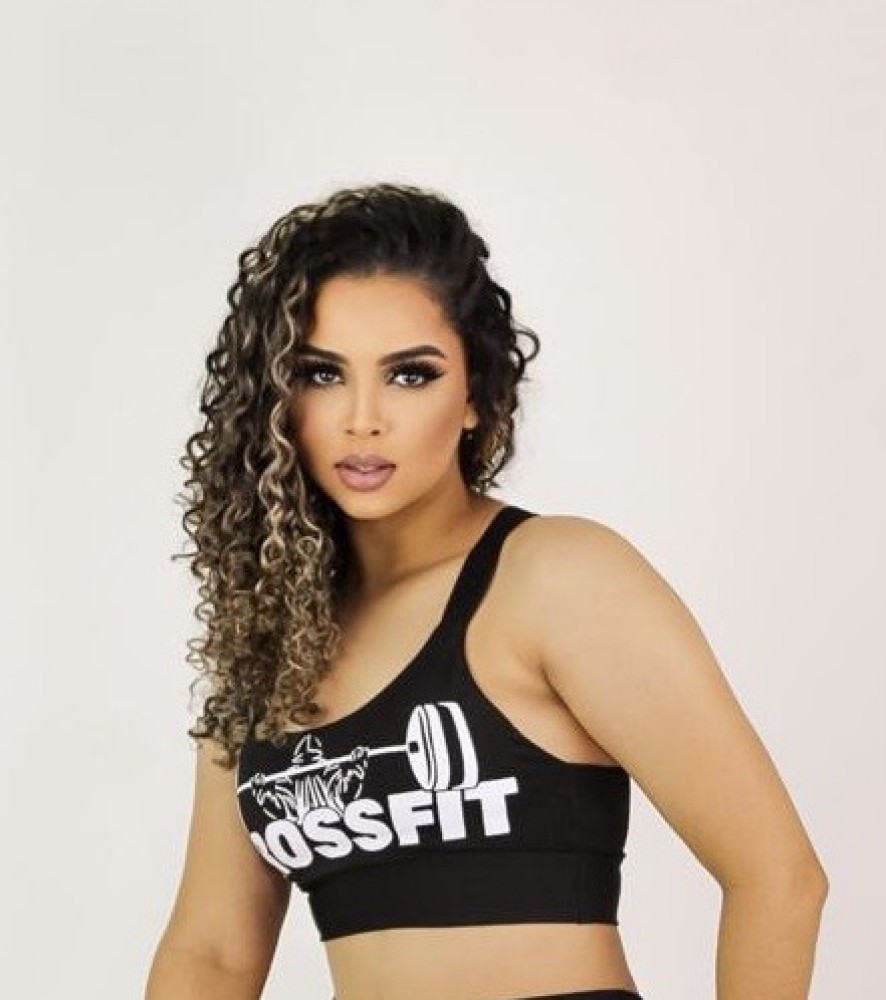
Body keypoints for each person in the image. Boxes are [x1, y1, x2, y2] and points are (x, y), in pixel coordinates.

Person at [144, 182, 828, 1000]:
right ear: (277, 404)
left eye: (410, 375)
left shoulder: (554, 578)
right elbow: (211, 952)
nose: (363, 419)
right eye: (321, 373)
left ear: (474, 395)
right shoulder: (269, 643)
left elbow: (777, 878)